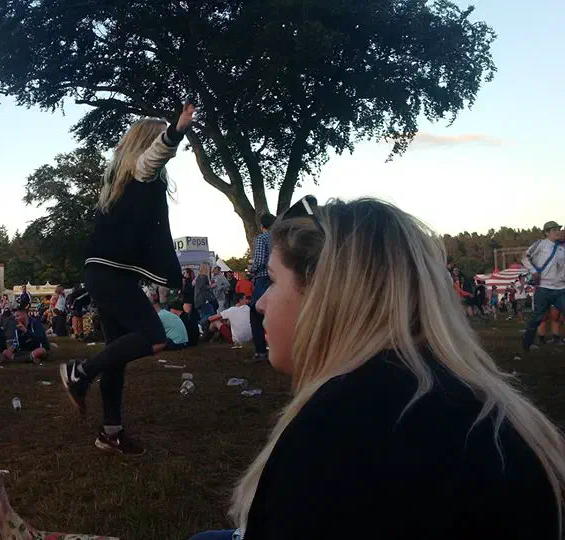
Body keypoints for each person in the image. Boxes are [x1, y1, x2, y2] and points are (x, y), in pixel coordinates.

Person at [190, 198, 564, 540]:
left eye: (272, 281)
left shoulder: (338, 430)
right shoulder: (486, 406)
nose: (260, 303)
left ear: (327, 294)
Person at [60, 103, 195, 456]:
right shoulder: (141, 171)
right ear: (148, 143)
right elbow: (155, 157)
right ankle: (80, 373)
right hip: (109, 274)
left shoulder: (118, 181)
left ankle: (111, 432)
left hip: (104, 273)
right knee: (153, 336)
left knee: (116, 355)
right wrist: (174, 132)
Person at [522, 221, 564, 351]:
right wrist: (534, 271)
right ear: (546, 232)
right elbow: (524, 257)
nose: (558, 231)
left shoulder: (562, 248)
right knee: (536, 318)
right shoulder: (540, 244)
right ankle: (526, 346)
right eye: (554, 229)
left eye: (559, 229)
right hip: (543, 288)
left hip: (560, 289)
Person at [248, 214, 275, 362]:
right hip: (280, 279)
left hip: (264, 279)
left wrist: (251, 270)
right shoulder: (282, 238)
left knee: (256, 314)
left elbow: (258, 261)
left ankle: (260, 352)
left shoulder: (262, 239)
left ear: (262, 226)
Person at [194, 262, 215, 328]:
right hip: (203, 300)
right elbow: (203, 288)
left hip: (199, 299)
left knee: (204, 314)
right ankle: (200, 326)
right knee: (210, 314)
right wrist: (211, 286)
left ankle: (201, 326)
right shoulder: (203, 276)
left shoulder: (199, 277)